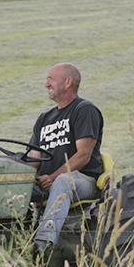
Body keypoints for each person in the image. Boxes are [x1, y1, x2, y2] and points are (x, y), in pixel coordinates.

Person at [29, 63, 104, 255]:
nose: (46, 84)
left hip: (83, 180)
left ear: (68, 82)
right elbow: (33, 158)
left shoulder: (84, 110)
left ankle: (43, 245)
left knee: (64, 180)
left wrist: (52, 177)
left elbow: (83, 155)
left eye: (51, 79)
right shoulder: (44, 119)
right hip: (47, 182)